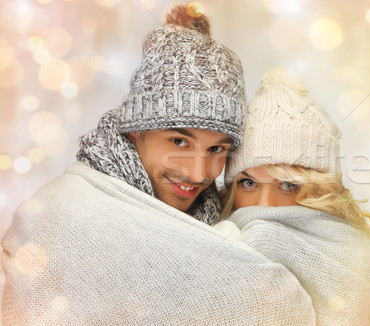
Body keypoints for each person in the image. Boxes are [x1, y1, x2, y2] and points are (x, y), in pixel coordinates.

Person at [1, 5, 316, 325]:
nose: (198, 173)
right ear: (136, 130)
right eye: (179, 142)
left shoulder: (223, 216)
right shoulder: (60, 212)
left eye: (217, 148)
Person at [216, 66, 370, 325]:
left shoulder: (356, 255)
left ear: (319, 189)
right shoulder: (212, 242)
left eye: (288, 185)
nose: (265, 205)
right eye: (249, 183)